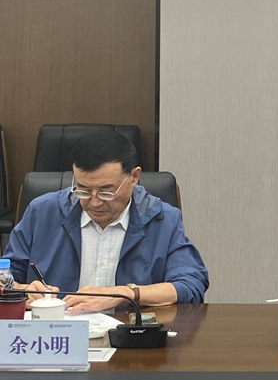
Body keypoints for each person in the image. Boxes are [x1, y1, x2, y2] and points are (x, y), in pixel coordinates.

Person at [3, 130, 209, 312]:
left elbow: (191, 285)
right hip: (55, 334)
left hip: (128, 334)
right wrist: (22, 290)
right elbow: (5, 275)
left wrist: (122, 294)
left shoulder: (161, 219)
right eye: (83, 190)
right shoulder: (42, 212)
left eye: (106, 192)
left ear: (134, 177)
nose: (94, 202)